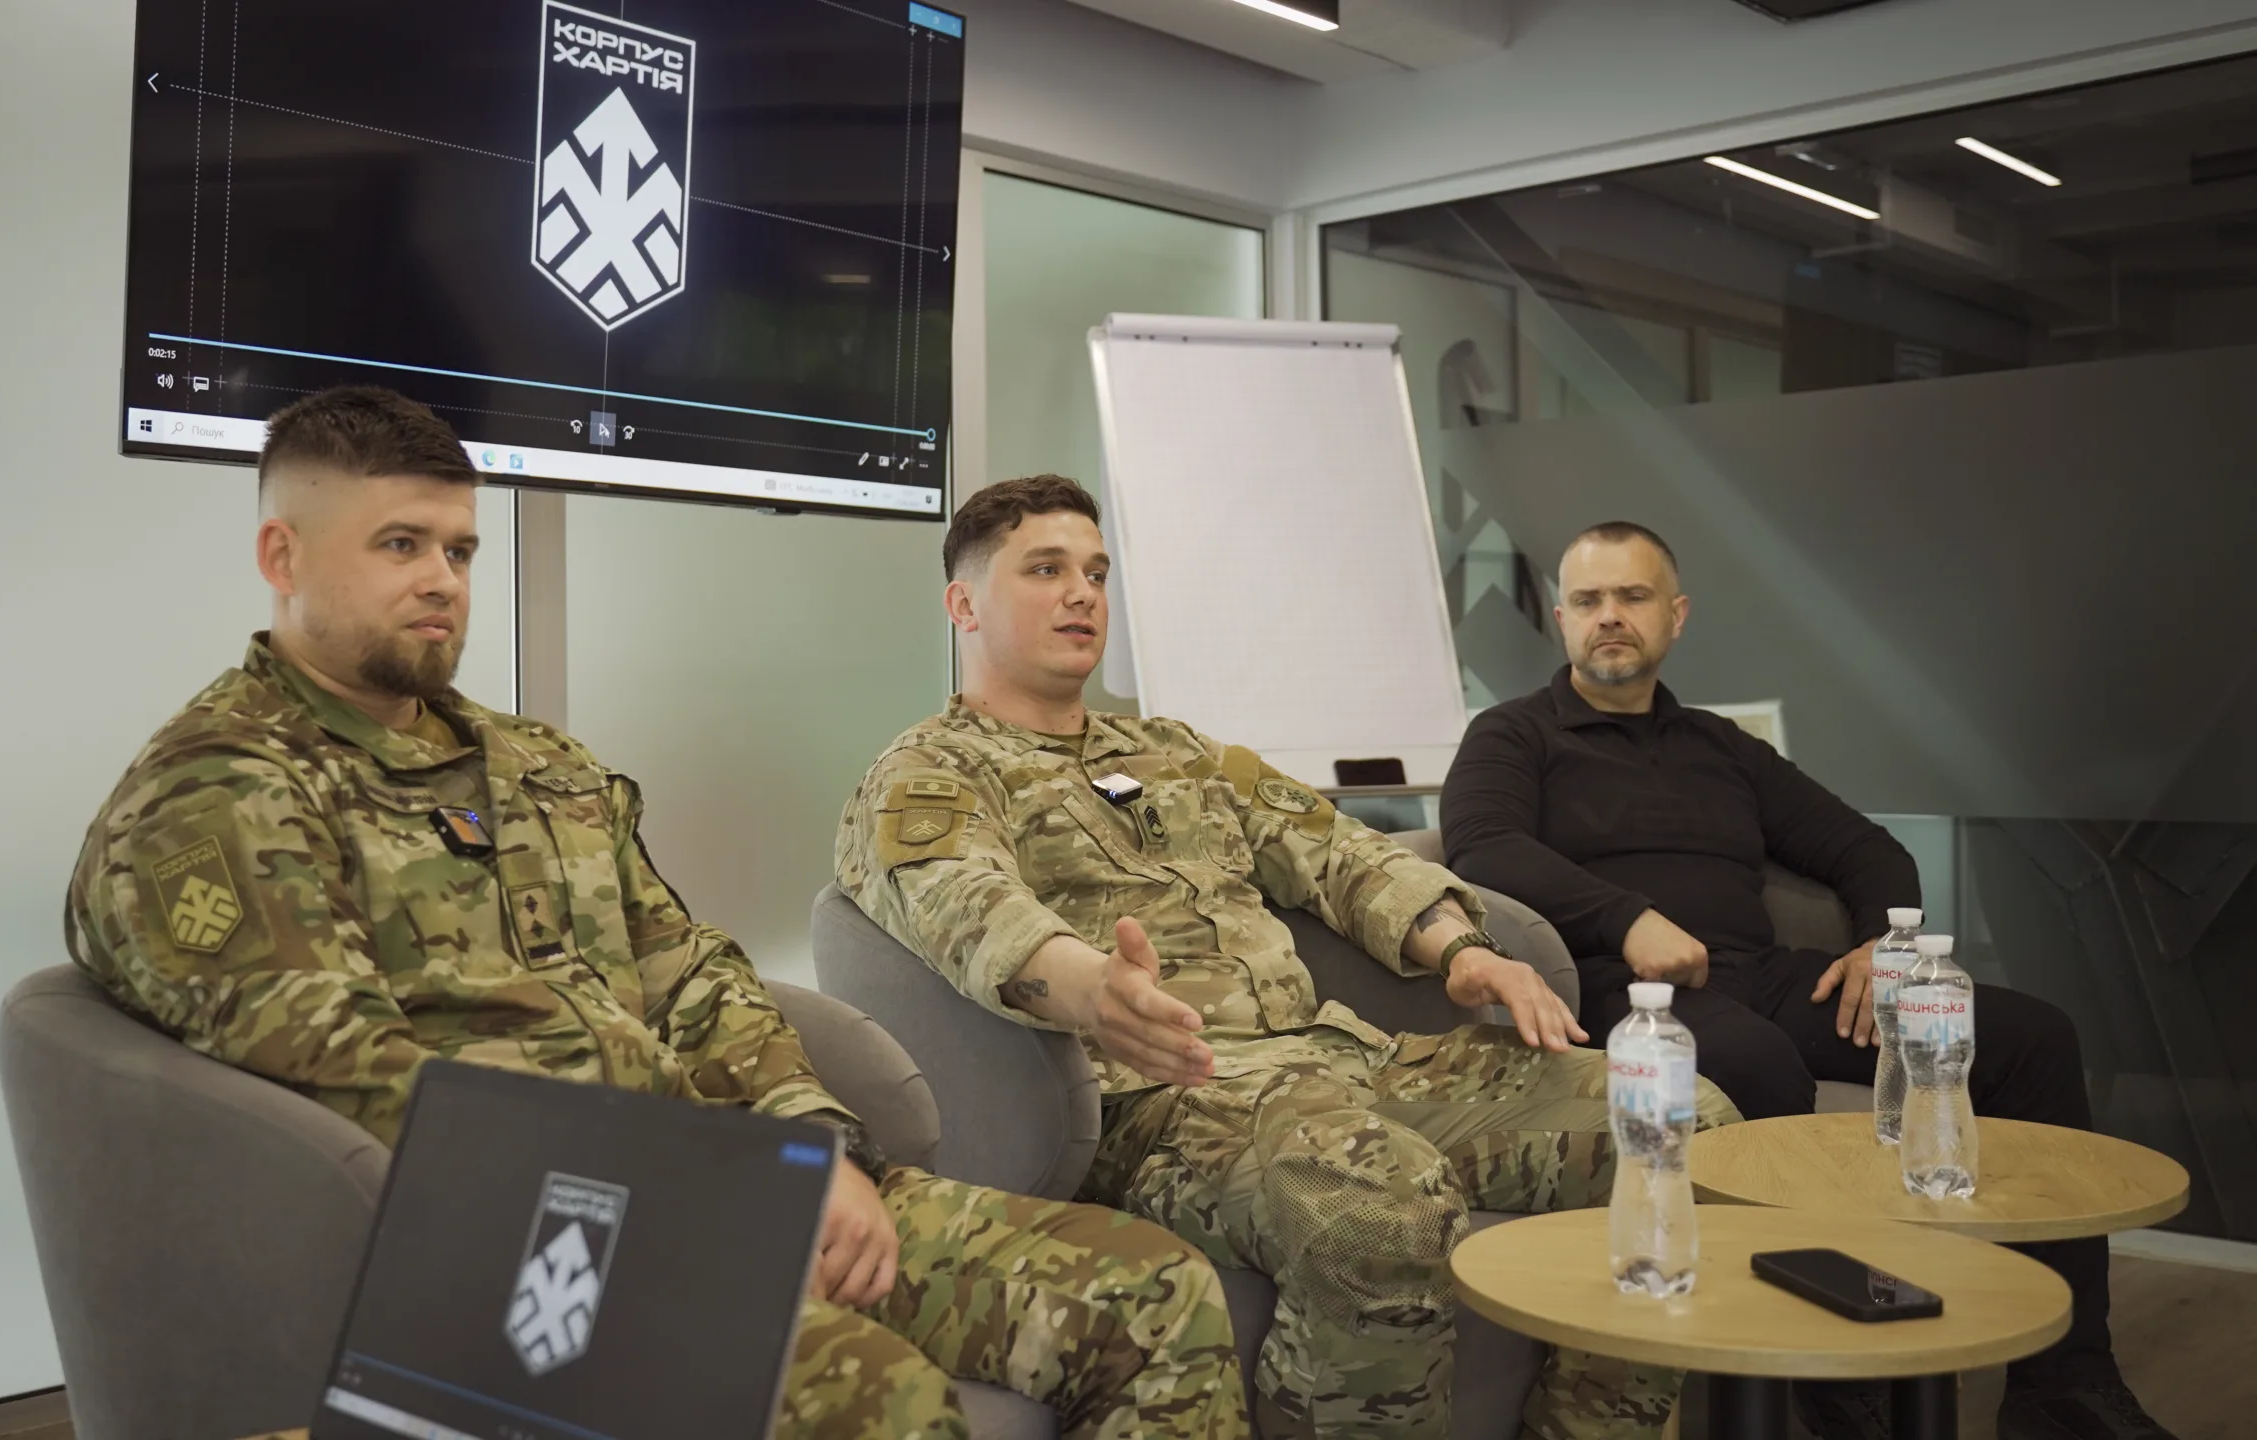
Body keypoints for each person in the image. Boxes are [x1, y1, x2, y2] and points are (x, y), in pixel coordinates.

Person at [65, 389, 1248, 1440]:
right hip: (506, 1245)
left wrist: (812, 1152)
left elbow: (694, 976)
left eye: (459, 549)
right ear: (281, 554)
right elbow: (355, 1086)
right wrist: (704, 1204)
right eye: (399, 545)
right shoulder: (222, 796)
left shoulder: (539, 767)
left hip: (715, 1185)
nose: (442, 580)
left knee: (1156, 1294)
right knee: (875, 1399)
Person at [835, 474, 1739, 1440]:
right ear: (964, 604)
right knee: (1378, 1211)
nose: (1082, 594)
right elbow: (966, 904)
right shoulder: (931, 771)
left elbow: (1340, 852)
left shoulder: (1179, 752)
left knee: (1687, 1124)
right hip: (1167, 1100)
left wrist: (1461, 951)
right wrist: (1094, 988)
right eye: (1045, 570)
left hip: (1341, 1062)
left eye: (1095, 573)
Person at [1440, 520, 2170, 1440]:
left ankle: (2065, 1383)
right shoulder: (1513, 735)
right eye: (1588, 600)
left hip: (1765, 977)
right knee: (1759, 1063)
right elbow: (1483, 849)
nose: (1609, 616)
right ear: (1562, 619)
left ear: (1677, 615)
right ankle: (1829, 1374)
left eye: (1632, 596)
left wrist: (1876, 946)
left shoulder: (1721, 746)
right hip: (1622, 996)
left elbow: (1865, 847)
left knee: (2033, 1038)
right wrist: (1627, 920)